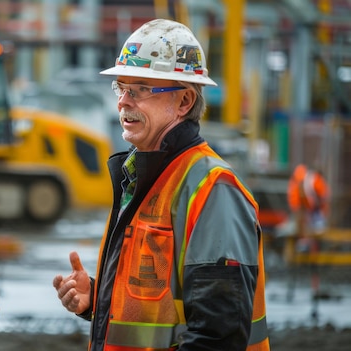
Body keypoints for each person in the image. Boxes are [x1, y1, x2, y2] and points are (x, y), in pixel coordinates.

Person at [53, 19, 269, 351]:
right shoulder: (144, 179)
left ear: (184, 102)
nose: (124, 101)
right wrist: (97, 300)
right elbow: (161, 308)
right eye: (121, 88)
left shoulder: (212, 190)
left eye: (140, 89)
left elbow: (219, 336)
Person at [287, 163, 329, 236]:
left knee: (316, 227)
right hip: (306, 208)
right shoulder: (302, 183)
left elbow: (323, 197)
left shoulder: (315, 182)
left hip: (311, 209)